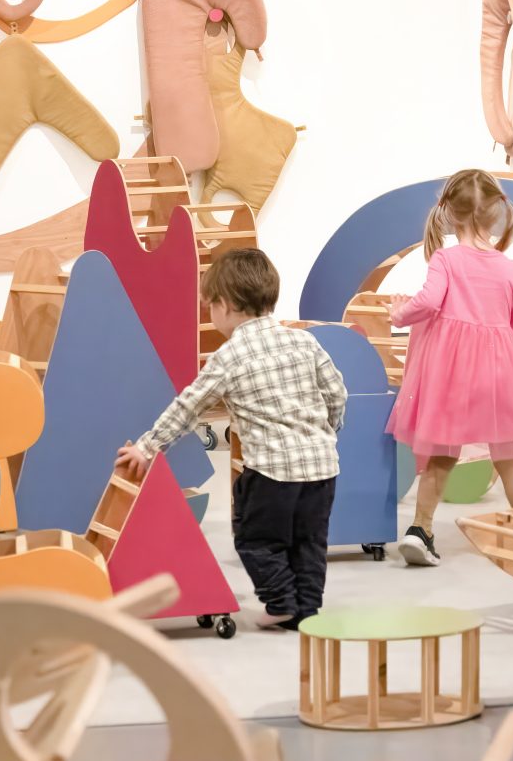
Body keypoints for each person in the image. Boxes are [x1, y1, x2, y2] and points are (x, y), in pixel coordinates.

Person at [117, 248, 347, 630]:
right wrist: (327, 433)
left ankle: (280, 602)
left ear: (224, 305)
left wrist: (146, 447)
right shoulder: (305, 342)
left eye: (209, 306)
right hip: (321, 468)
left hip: (271, 471)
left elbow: (187, 408)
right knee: (308, 541)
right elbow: (336, 392)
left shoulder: (229, 356)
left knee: (256, 539)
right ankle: (305, 607)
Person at [386, 169, 513, 566]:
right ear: (495, 215)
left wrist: (400, 314)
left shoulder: (445, 259)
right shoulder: (509, 267)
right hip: (499, 371)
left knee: (442, 452)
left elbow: (430, 301)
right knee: (508, 457)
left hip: (452, 374)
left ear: (450, 214)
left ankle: (421, 528)